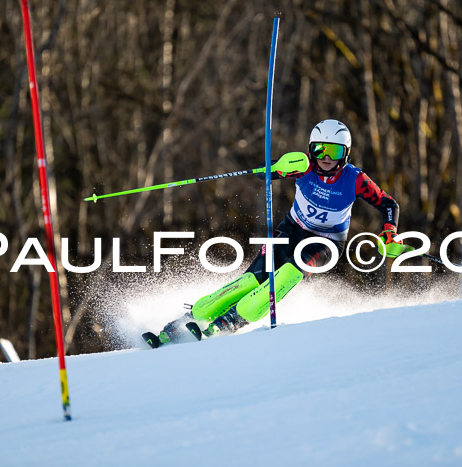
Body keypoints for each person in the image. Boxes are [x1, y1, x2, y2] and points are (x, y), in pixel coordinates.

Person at [144, 119, 407, 348]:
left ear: (345, 153)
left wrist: (389, 231)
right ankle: (188, 321)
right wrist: (276, 167)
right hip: (292, 229)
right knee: (251, 280)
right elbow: (262, 173)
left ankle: (231, 321)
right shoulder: (304, 167)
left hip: (325, 242)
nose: (326, 157)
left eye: (334, 151)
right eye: (320, 149)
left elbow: (388, 203)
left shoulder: (355, 178)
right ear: (311, 149)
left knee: (287, 274)